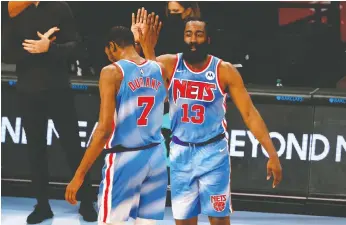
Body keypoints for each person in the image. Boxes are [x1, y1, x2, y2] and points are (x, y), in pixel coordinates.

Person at [138, 12, 283, 225]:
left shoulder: (224, 70)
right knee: (185, 222)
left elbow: (250, 114)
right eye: (188, 34)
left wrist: (272, 153)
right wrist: (146, 46)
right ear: (183, 38)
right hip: (181, 153)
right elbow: (148, 81)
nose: (193, 40)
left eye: (198, 34)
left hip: (213, 154)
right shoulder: (170, 63)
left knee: (219, 221)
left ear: (208, 39)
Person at [2, 1, 97, 223]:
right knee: (35, 150)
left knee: (72, 147)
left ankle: (86, 201)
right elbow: (6, 53)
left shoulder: (60, 8)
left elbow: (76, 46)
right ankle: (42, 205)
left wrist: (50, 48)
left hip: (58, 89)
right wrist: (35, 49)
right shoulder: (14, 10)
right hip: (27, 91)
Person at [65, 25, 169, 225]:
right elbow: (164, 99)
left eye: (107, 51)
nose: (108, 57)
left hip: (125, 158)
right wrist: (146, 47)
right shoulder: (159, 68)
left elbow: (104, 130)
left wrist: (79, 175)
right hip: (156, 158)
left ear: (112, 46)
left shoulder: (112, 72)